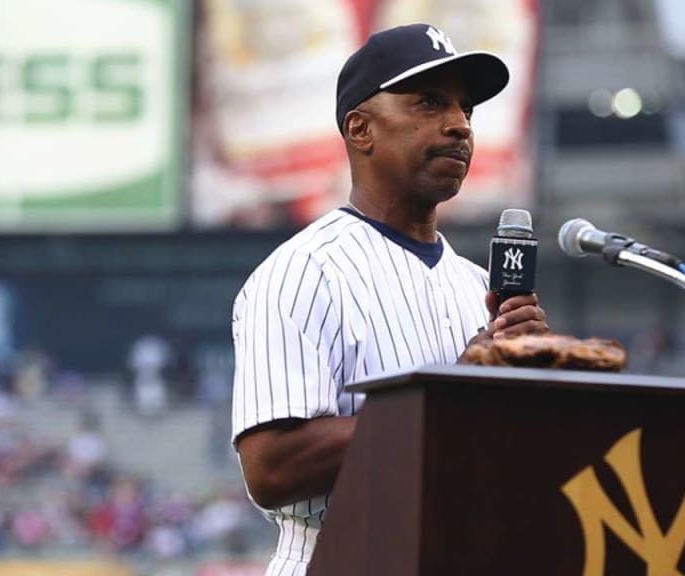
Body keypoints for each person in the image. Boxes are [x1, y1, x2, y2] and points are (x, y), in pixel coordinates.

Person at [230, 23, 549, 575]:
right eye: (428, 103)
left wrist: (535, 386)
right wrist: (450, 393)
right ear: (361, 129)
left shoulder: (479, 287)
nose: (458, 126)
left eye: (465, 109)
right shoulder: (304, 271)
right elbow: (271, 468)